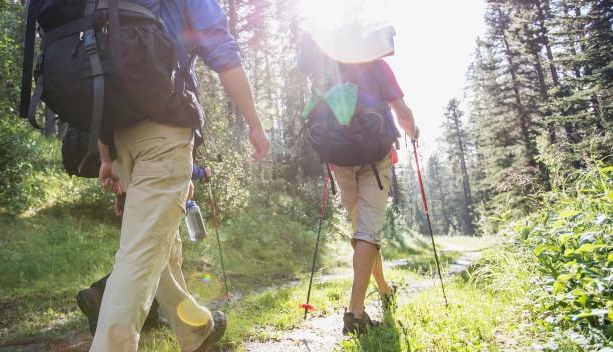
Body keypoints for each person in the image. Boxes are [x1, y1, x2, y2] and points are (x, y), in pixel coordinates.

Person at [91, 1, 270, 351]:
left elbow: (99, 69)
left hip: (117, 132)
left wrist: (106, 153)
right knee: (140, 253)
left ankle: (195, 328)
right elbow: (223, 51)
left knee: (162, 243)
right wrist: (254, 122)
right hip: (164, 131)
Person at [297, 34, 418, 334]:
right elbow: (402, 114)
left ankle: (384, 287)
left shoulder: (325, 70)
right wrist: (413, 132)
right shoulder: (376, 67)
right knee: (367, 231)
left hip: (340, 162)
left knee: (361, 230)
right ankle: (355, 313)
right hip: (375, 159)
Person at [76, 165, 213, 336]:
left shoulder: (125, 138)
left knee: (147, 258)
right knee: (153, 261)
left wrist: (120, 195)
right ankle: (100, 294)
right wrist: (201, 172)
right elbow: (169, 159)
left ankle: (148, 318)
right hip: (153, 200)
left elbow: (131, 162)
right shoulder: (162, 141)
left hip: (137, 197)